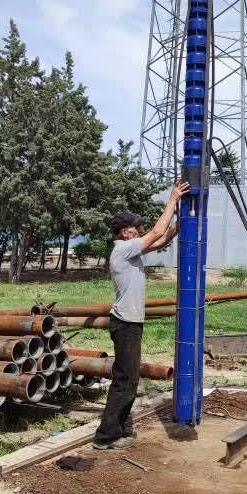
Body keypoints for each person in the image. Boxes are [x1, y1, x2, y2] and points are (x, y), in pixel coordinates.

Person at [93, 180, 189, 449]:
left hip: (130, 323)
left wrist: (182, 223)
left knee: (129, 379)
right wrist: (172, 200)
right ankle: (105, 436)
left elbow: (161, 239)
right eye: (133, 228)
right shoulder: (123, 249)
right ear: (124, 233)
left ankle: (117, 429)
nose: (138, 231)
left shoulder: (130, 250)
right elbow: (157, 231)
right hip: (125, 324)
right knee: (125, 380)